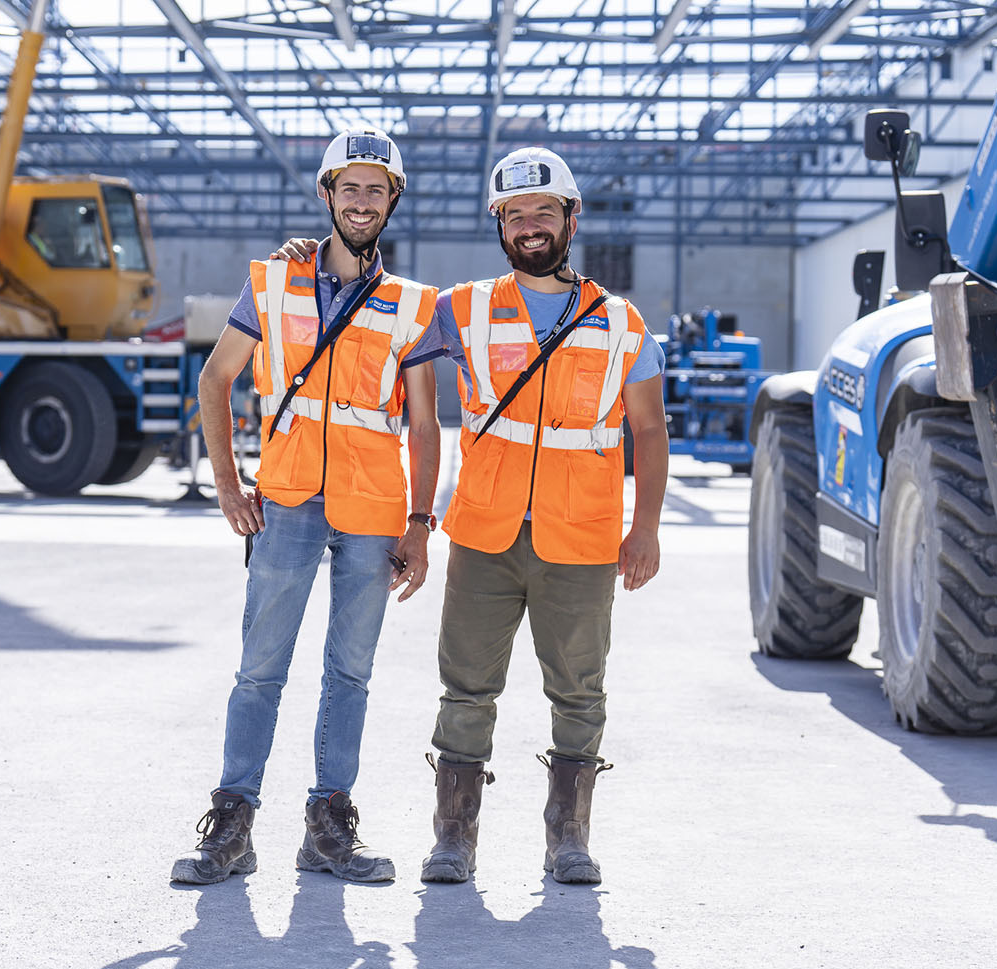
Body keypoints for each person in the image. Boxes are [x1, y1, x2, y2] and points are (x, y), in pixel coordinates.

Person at [171, 127, 445, 886]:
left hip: (374, 509)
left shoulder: (414, 304)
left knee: (349, 673)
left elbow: (426, 423)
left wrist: (421, 524)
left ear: (393, 200)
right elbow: (215, 380)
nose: (362, 201)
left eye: (376, 189)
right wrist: (228, 485)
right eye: (349, 187)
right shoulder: (273, 281)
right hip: (287, 500)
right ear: (327, 195)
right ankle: (232, 823)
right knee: (259, 670)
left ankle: (328, 826)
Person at [419, 147, 668, 886]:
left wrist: (645, 528)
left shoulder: (619, 321)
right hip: (484, 533)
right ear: (500, 225)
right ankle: (453, 839)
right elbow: (368, 309)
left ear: (571, 218)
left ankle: (569, 838)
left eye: (543, 211)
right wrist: (308, 256)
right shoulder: (459, 309)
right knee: (466, 687)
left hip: (581, 537)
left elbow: (649, 429)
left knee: (579, 691)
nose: (530, 225)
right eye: (515, 214)